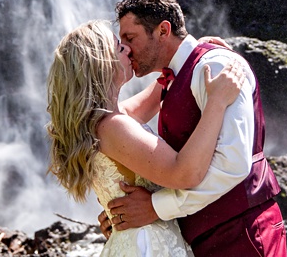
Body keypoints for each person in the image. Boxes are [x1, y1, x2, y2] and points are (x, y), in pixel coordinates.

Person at [102, 0, 287, 257]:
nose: (126, 50)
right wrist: (117, 211)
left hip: (243, 232)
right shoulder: (175, 76)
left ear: (163, 31)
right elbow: (118, 126)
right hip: (202, 238)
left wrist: (155, 207)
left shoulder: (216, 67)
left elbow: (233, 164)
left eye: (131, 38)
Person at [46, 19, 247, 256]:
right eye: (119, 47)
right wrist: (217, 102)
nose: (128, 49)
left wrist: (188, 53)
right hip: (148, 245)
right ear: (101, 64)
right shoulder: (114, 126)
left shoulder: (103, 120)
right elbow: (184, 173)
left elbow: (159, 89)